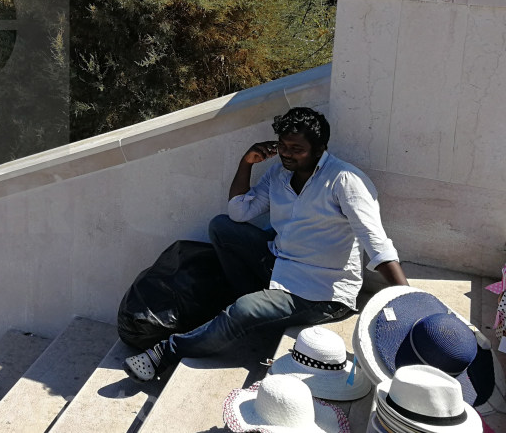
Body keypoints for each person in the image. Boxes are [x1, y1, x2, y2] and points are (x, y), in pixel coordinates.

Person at [123, 106, 408, 382]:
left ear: (320, 149)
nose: (287, 154)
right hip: (280, 263)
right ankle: (249, 306)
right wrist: (246, 162)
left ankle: (165, 353)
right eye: (283, 146)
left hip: (320, 291)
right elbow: (239, 212)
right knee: (222, 227)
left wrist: (408, 300)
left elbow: (376, 243)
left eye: (297, 149)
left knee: (244, 309)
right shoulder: (279, 175)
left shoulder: (344, 181)